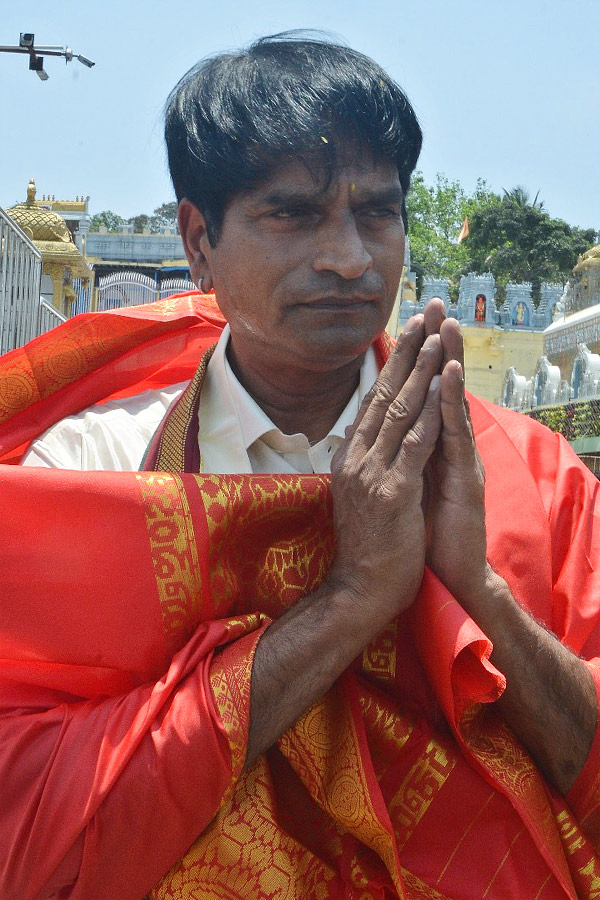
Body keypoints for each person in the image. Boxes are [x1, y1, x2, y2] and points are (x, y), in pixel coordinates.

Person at [2, 33, 600, 900]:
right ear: (198, 239)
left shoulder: (528, 479)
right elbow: (30, 831)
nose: (351, 258)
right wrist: (350, 605)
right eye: (294, 214)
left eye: (378, 213)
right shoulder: (92, 477)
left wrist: (478, 592)